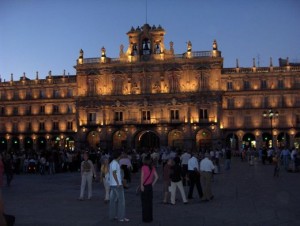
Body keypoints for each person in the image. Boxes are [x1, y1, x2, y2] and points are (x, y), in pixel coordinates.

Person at [109, 151, 129, 222]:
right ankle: (121, 217)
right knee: (121, 201)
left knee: (112, 201)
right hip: (117, 185)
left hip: (113, 184)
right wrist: (118, 182)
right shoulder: (115, 163)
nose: (122, 155)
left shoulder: (112, 163)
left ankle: (113, 216)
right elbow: (114, 173)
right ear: (119, 155)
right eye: (121, 154)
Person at [140, 155, 159, 223]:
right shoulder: (152, 167)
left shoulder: (143, 167)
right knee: (149, 203)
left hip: (144, 186)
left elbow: (142, 178)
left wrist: (141, 185)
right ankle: (150, 218)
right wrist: (152, 184)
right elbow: (157, 177)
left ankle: (145, 219)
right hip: (150, 186)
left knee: (144, 204)